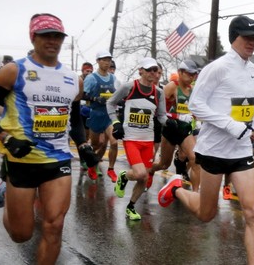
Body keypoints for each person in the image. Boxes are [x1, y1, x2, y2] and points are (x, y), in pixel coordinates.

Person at [0, 13, 98, 264]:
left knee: (54, 225)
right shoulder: (13, 71)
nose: (53, 41)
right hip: (21, 159)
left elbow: (74, 120)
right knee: (21, 235)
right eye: (46, 35)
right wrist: (6, 139)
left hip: (58, 159)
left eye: (57, 36)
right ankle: (6, 193)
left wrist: (83, 144)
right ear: (33, 37)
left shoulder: (75, 80)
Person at [157, 15, 254, 265]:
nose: (251, 42)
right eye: (246, 38)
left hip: (240, 151)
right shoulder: (217, 68)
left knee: (253, 212)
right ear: (234, 39)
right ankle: (176, 190)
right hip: (214, 151)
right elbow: (196, 104)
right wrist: (231, 125)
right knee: (207, 214)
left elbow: (250, 107)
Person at [107, 57, 168, 221]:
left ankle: (130, 207)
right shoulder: (129, 87)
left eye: (155, 70)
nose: (153, 73)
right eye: (149, 70)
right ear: (141, 70)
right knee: (140, 174)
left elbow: (161, 116)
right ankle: (124, 176)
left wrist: (171, 124)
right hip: (131, 138)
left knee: (145, 177)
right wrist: (116, 122)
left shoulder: (159, 92)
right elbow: (110, 103)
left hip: (148, 140)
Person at [150, 60, 200, 190]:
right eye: (189, 74)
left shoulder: (192, 89)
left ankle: (195, 194)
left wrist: (198, 120)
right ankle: (149, 172)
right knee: (163, 164)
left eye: (194, 75)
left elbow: (194, 109)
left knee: (195, 158)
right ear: (180, 72)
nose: (191, 77)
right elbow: (158, 111)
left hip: (184, 130)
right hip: (171, 129)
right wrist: (177, 116)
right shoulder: (172, 87)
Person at [83, 50, 118, 182]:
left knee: (113, 142)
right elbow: (82, 95)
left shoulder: (113, 78)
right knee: (96, 145)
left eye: (109, 60)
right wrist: (96, 99)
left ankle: (111, 169)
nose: (107, 62)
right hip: (96, 114)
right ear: (98, 61)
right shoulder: (91, 78)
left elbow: (117, 94)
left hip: (109, 115)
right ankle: (92, 165)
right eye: (104, 60)